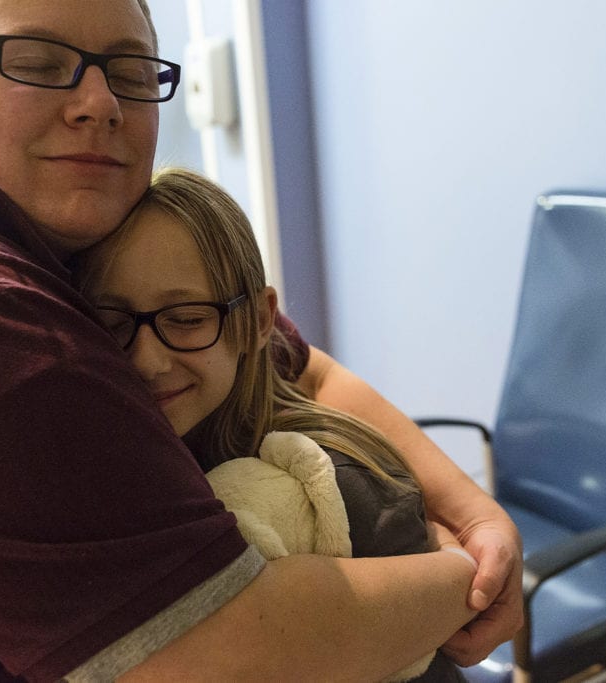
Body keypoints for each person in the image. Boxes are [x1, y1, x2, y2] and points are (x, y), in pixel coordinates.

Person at [0, 0, 522, 680]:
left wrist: (477, 514)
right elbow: (238, 655)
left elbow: (300, 370)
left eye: (129, 72)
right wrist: (470, 577)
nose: (98, 102)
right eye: (40, 60)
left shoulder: (58, 230)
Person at [77, 166, 465, 681]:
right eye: (112, 323)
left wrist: (463, 563)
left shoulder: (344, 486)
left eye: (188, 319)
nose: (147, 359)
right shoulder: (126, 469)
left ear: (260, 321)